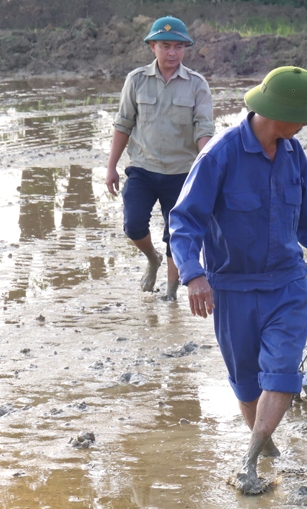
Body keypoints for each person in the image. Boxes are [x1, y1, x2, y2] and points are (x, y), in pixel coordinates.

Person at [168, 66, 307, 495]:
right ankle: (266, 448)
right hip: (232, 289)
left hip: (287, 284)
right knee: (247, 383)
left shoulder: (293, 153)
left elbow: (306, 219)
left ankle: (248, 461)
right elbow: (184, 221)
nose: (306, 125)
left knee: (282, 371)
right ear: (278, 112)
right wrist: (193, 276)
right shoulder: (220, 155)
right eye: (302, 116)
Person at [106, 16, 214, 300]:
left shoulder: (196, 85)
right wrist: (111, 167)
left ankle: (170, 293)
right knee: (133, 225)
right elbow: (123, 125)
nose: (172, 53)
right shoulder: (137, 80)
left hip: (182, 172)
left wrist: (207, 170)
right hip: (143, 168)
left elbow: (204, 130)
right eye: (165, 46)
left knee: (175, 235)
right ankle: (152, 258)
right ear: (152, 46)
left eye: (179, 47)